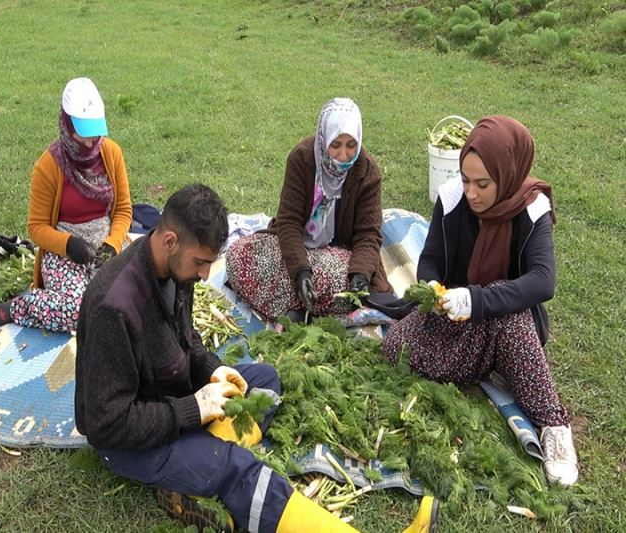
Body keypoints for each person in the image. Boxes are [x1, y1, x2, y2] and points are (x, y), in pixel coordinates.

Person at [74, 184, 374, 532]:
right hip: (129, 441)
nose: (205, 276)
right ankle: (215, 465)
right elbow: (106, 423)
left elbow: (188, 342)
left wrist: (214, 371)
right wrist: (194, 409)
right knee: (238, 468)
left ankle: (195, 470)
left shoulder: (172, 267)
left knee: (264, 382)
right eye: (201, 263)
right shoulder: (112, 307)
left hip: (172, 394)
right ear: (170, 241)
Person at [382, 115, 579, 487]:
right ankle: (486, 364)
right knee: (394, 346)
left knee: (513, 319)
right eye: (466, 179)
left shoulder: (531, 207)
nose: (471, 192)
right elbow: (431, 259)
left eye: (483, 184)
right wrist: (434, 289)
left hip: (506, 316)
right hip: (458, 311)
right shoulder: (453, 197)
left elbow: (542, 280)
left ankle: (554, 424)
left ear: (507, 174)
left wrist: (479, 299)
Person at [0, 77, 132, 331]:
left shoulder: (111, 153)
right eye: (82, 135)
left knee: (127, 303)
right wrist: (68, 245)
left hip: (104, 246)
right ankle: (20, 307)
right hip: (64, 252)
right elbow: (37, 227)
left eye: (94, 135)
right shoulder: (48, 166)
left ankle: (68, 298)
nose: (89, 144)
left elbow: (123, 210)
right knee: (78, 310)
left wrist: (112, 245)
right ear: (65, 124)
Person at [226, 97, 394, 321]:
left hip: (340, 255)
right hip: (298, 248)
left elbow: (368, 234)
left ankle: (298, 310)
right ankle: (312, 305)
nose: (343, 156)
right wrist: (301, 272)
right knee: (239, 255)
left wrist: (360, 275)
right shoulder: (302, 158)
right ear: (324, 138)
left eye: (351, 145)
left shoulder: (367, 170)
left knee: (339, 278)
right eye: (336, 145)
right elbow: (289, 223)